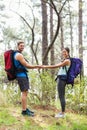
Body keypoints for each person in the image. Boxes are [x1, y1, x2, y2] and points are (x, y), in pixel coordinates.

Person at [41, 47, 71, 118]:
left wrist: (45, 66)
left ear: (68, 52)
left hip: (62, 79)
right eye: (63, 52)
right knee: (61, 95)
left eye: (65, 52)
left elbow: (55, 66)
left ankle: (63, 113)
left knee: (61, 96)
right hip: (61, 78)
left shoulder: (67, 61)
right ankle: (62, 113)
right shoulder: (64, 60)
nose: (63, 53)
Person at [14, 41, 41, 116]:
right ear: (18, 46)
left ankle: (25, 109)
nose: (22, 47)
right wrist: (37, 66)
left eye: (23, 46)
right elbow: (26, 65)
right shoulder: (18, 55)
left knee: (25, 92)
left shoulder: (18, 54)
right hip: (21, 76)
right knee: (24, 93)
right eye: (21, 46)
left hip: (23, 75)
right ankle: (24, 111)